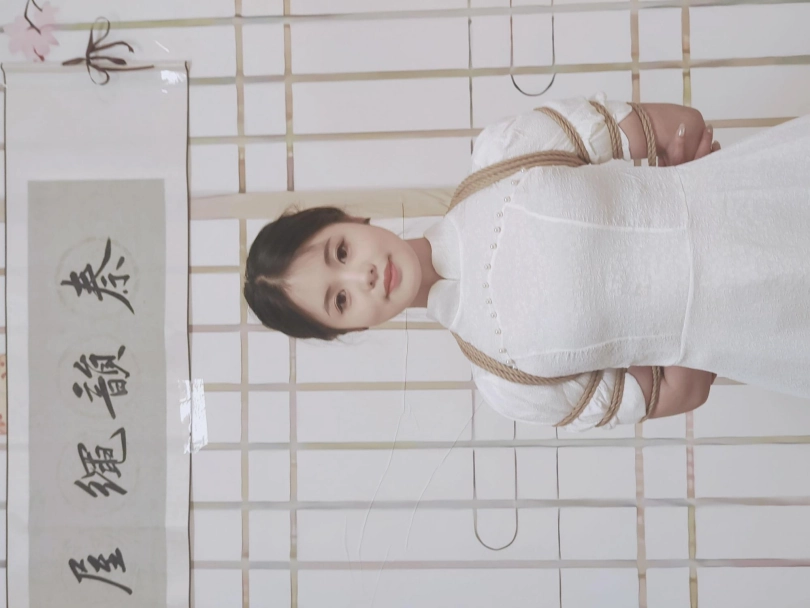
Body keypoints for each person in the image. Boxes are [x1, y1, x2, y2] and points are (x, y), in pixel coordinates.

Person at [244, 92, 810, 431]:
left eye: (341, 251)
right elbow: (683, 392)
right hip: (778, 331)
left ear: (349, 219)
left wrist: (681, 192)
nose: (363, 276)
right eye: (341, 300)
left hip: (769, 191)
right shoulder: (508, 385)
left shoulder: (505, 152)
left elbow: (683, 124)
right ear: (351, 328)